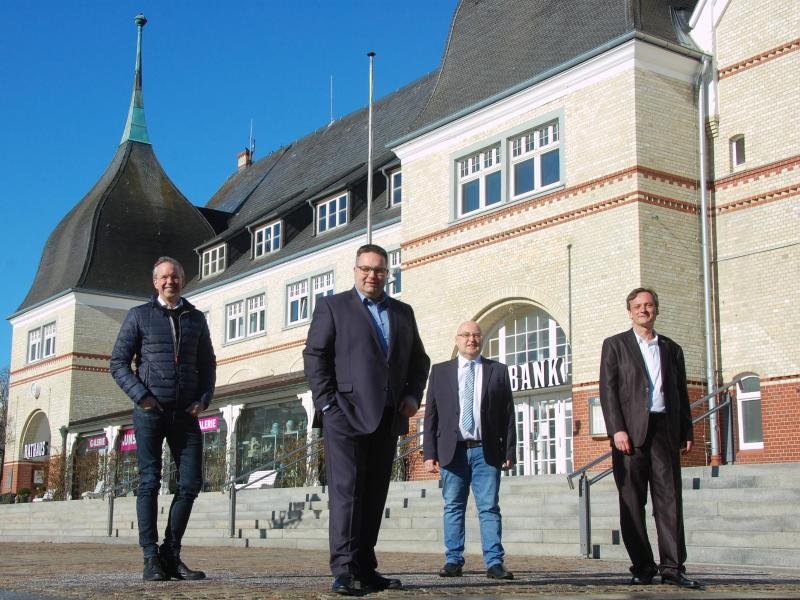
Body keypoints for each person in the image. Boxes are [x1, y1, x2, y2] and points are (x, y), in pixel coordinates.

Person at [303, 243, 430, 595]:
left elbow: (420, 361)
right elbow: (315, 355)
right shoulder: (333, 307)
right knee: (347, 493)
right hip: (343, 415)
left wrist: (411, 396)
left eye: (379, 270)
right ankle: (343, 570)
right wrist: (327, 404)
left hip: (388, 416)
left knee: (374, 494)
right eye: (366, 269)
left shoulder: (403, 312)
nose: (372, 275)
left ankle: (365, 566)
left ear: (387, 273)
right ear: (355, 270)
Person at [110, 256, 216, 582]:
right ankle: (150, 558)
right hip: (150, 413)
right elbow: (118, 362)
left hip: (186, 413)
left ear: (183, 281)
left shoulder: (196, 318)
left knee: (190, 483)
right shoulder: (139, 316)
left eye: (176, 277)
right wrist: (142, 397)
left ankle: (171, 554)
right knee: (149, 482)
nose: (170, 281)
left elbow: (208, 364)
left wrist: (203, 399)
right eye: (164, 277)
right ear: (155, 282)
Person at [599, 287, 700, 589]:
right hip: (629, 435)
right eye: (637, 306)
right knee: (631, 500)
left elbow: (680, 393)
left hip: (664, 431)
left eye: (649, 305)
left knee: (669, 500)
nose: (644, 310)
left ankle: (672, 567)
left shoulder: (671, 348)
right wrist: (616, 428)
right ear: (629, 311)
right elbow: (608, 390)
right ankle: (643, 566)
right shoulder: (615, 345)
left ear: (656, 309)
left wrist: (686, 429)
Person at [423, 321, 516, 581]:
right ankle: (453, 560)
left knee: (489, 508)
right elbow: (432, 415)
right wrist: (429, 453)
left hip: (486, 453)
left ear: (481, 339)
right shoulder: (440, 372)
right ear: (456, 339)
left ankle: (495, 563)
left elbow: (508, 414)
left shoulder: (497, 370)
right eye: (465, 335)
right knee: (453, 506)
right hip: (453, 453)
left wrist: (510, 449)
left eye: (476, 335)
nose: (471, 340)